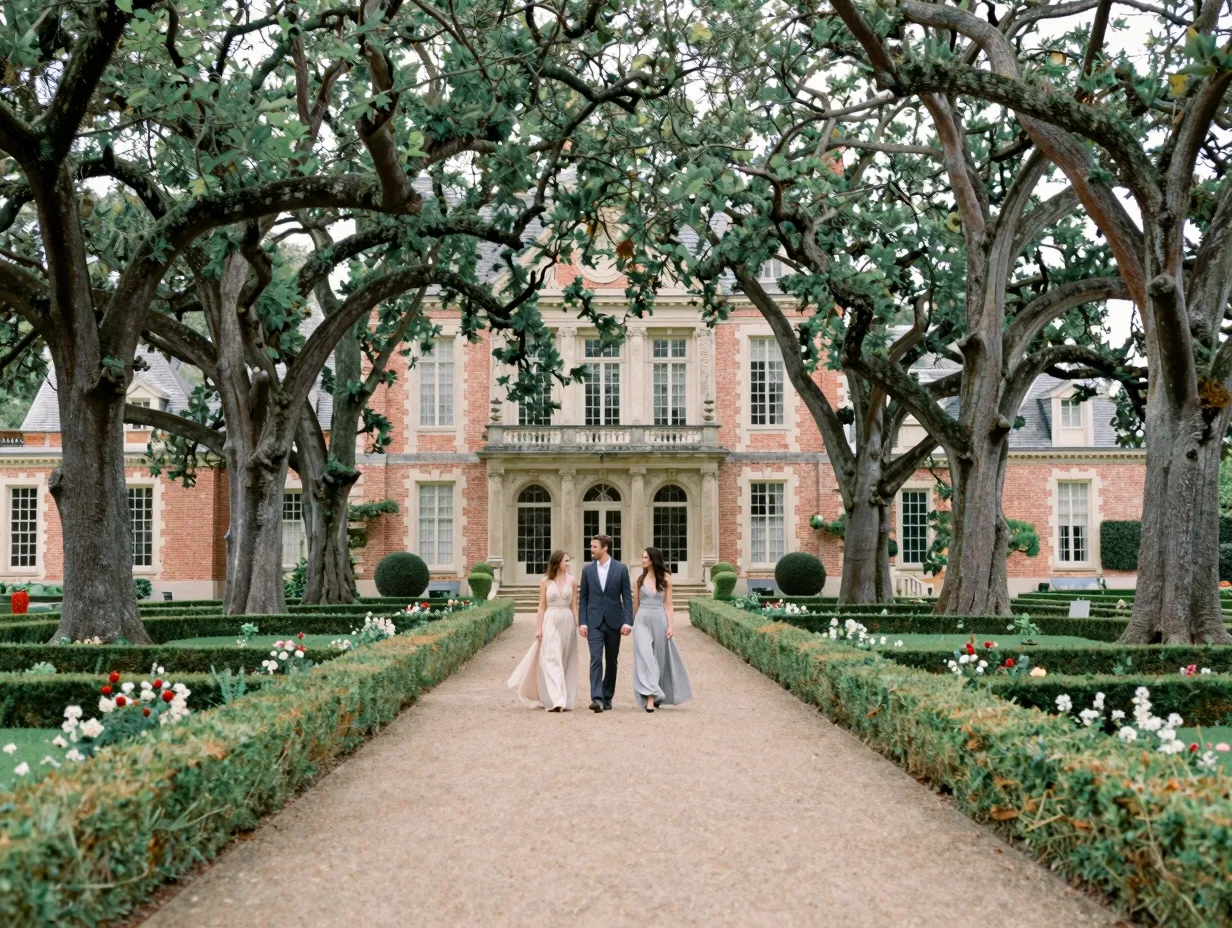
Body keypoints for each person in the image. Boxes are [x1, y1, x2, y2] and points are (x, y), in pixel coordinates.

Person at [507, 550, 580, 711]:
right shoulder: (545, 582)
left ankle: (564, 698)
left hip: (567, 621)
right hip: (551, 620)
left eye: (568, 561)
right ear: (557, 562)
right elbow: (541, 606)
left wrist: (579, 624)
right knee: (552, 659)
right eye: (566, 561)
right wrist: (538, 628)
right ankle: (556, 700)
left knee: (565, 660)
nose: (568, 564)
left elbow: (574, 605)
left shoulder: (572, 581)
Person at [631, 546, 692, 712]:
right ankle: (650, 698)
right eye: (642, 557)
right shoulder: (638, 580)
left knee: (659, 658)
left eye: (645, 557)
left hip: (659, 619)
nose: (642, 560)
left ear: (653, 560)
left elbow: (668, 605)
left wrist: (671, 626)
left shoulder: (666, 578)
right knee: (646, 658)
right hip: (642, 620)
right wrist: (632, 624)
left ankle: (657, 693)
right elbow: (635, 605)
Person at [577, 534, 632, 712]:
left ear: (605, 548)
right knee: (595, 658)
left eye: (594, 546)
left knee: (611, 660)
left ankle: (607, 696)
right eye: (591, 546)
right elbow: (583, 598)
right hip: (593, 621)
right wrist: (582, 622)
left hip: (614, 621)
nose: (591, 549)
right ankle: (597, 698)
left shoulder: (621, 569)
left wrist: (628, 622)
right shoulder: (587, 569)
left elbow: (627, 597)